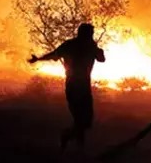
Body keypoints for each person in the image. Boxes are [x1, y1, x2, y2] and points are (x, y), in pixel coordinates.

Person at [29, 23, 105, 151]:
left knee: (84, 121)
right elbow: (55, 54)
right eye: (90, 33)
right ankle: (72, 142)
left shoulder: (83, 46)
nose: (91, 36)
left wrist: (39, 59)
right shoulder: (74, 45)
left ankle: (72, 142)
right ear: (84, 33)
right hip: (74, 87)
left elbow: (101, 59)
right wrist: (39, 59)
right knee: (81, 120)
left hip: (82, 87)